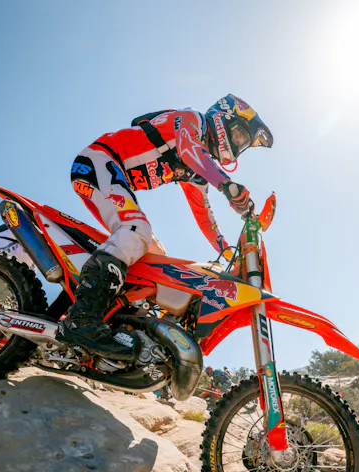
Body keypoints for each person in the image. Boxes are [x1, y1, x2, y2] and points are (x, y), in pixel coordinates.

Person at [57, 95, 273, 360]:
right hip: (99, 160)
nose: (238, 145)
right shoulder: (191, 120)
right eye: (239, 135)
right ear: (223, 119)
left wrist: (227, 251)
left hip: (112, 176)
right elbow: (188, 148)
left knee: (155, 259)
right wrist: (226, 185)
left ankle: (106, 320)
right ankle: (82, 320)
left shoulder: (197, 170)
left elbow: (204, 217)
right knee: (137, 230)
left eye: (243, 143)